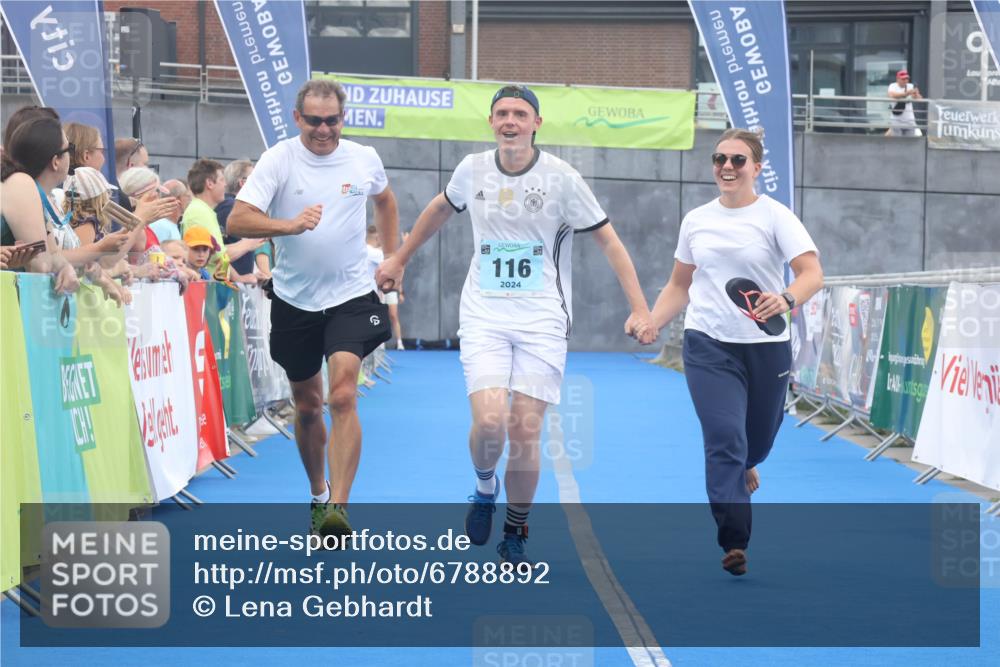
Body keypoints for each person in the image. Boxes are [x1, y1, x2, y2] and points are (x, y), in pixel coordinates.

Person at [376, 84, 651, 564]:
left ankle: (516, 528)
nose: (510, 121)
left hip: (542, 318)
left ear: (536, 123)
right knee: (489, 423)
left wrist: (640, 308)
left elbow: (609, 241)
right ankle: (485, 488)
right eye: (502, 113)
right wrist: (399, 258)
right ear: (491, 121)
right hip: (484, 314)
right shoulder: (471, 169)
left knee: (523, 429)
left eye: (520, 114)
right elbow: (440, 208)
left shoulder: (562, 178)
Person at [639, 128, 824, 576]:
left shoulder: (775, 216)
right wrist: (652, 320)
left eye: (738, 160)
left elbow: (811, 273)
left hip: (765, 347)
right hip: (708, 343)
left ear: (756, 168)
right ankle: (734, 539)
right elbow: (679, 284)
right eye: (719, 158)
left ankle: (748, 464)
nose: (727, 166)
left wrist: (786, 298)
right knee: (725, 437)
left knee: (756, 441)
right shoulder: (696, 220)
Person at [227, 79, 399, 539]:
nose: (324, 130)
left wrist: (393, 258)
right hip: (294, 300)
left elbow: (385, 200)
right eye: (314, 121)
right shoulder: (279, 159)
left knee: (342, 395)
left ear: (344, 118)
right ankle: (319, 494)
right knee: (307, 406)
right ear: (297, 117)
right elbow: (238, 219)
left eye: (332, 121)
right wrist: (288, 225)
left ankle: (338, 509)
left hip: (351, 296)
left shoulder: (363, 158)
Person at [216, 159, 257, 277]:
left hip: (237, 279)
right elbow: (220, 253)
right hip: (232, 282)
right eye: (255, 179)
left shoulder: (229, 205)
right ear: (242, 183)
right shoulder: (232, 207)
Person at [366, 225, 404, 349]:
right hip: (371, 296)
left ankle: (396, 343)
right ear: (378, 238)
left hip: (366, 294)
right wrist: (405, 245)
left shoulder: (362, 251)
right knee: (376, 325)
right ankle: (377, 351)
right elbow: (395, 262)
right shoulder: (375, 253)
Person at [887, 69, 922, 137]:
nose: (905, 81)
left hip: (910, 120)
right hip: (896, 120)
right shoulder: (893, 86)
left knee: (909, 141)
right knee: (897, 141)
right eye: (903, 79)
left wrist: (916, 94)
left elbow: (919, 98)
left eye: (907, 78)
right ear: (898, 79)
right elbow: (892, 95)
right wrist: (907, 93)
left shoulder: (911, 86)